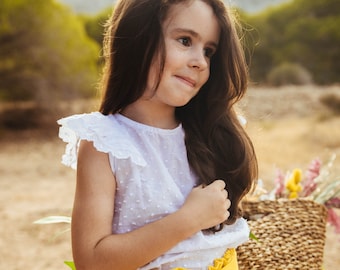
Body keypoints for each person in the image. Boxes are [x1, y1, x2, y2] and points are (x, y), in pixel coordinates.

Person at [58, 0, 258, 269]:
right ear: (139, 38)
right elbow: (91, 262)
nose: (200, 62)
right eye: (185, 40)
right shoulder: (106, 142)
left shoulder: (209, 134)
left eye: (209, 51)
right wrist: (189, 219)